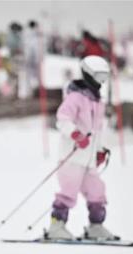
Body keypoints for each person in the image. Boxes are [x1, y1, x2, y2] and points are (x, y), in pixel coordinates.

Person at [47, 55, 118, 241]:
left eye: (105, 77)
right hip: (72, 157)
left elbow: (96, 130)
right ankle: (56, 226)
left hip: (88, 159)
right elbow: (62, 120)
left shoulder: (97, 101)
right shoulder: (75, 98)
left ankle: (96, 226)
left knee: (97, 191)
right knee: (68, 192)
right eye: (100, 77)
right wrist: (76, 135)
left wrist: (100, 149)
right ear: (89, 75)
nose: (102, 82)